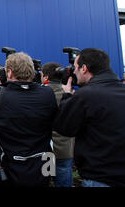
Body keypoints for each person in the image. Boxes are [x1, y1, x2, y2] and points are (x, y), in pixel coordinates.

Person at [53, 48, 125, 187]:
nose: (73, 72)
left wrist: (67, 96)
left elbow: (64, 128)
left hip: (100, 177)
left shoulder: (86, 95)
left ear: (84, 68)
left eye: (75, 68)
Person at [0, 52, 57, 187]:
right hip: (44, 163)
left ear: (10, 73)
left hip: (12, 165)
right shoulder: (48, 93)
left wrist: (1, 88)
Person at [41, 62, 75, 187]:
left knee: (47, 179)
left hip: (47, 150)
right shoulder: (70, 94)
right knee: (64, 180)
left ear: (45, 77)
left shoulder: (41, 94)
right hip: (66, 149)